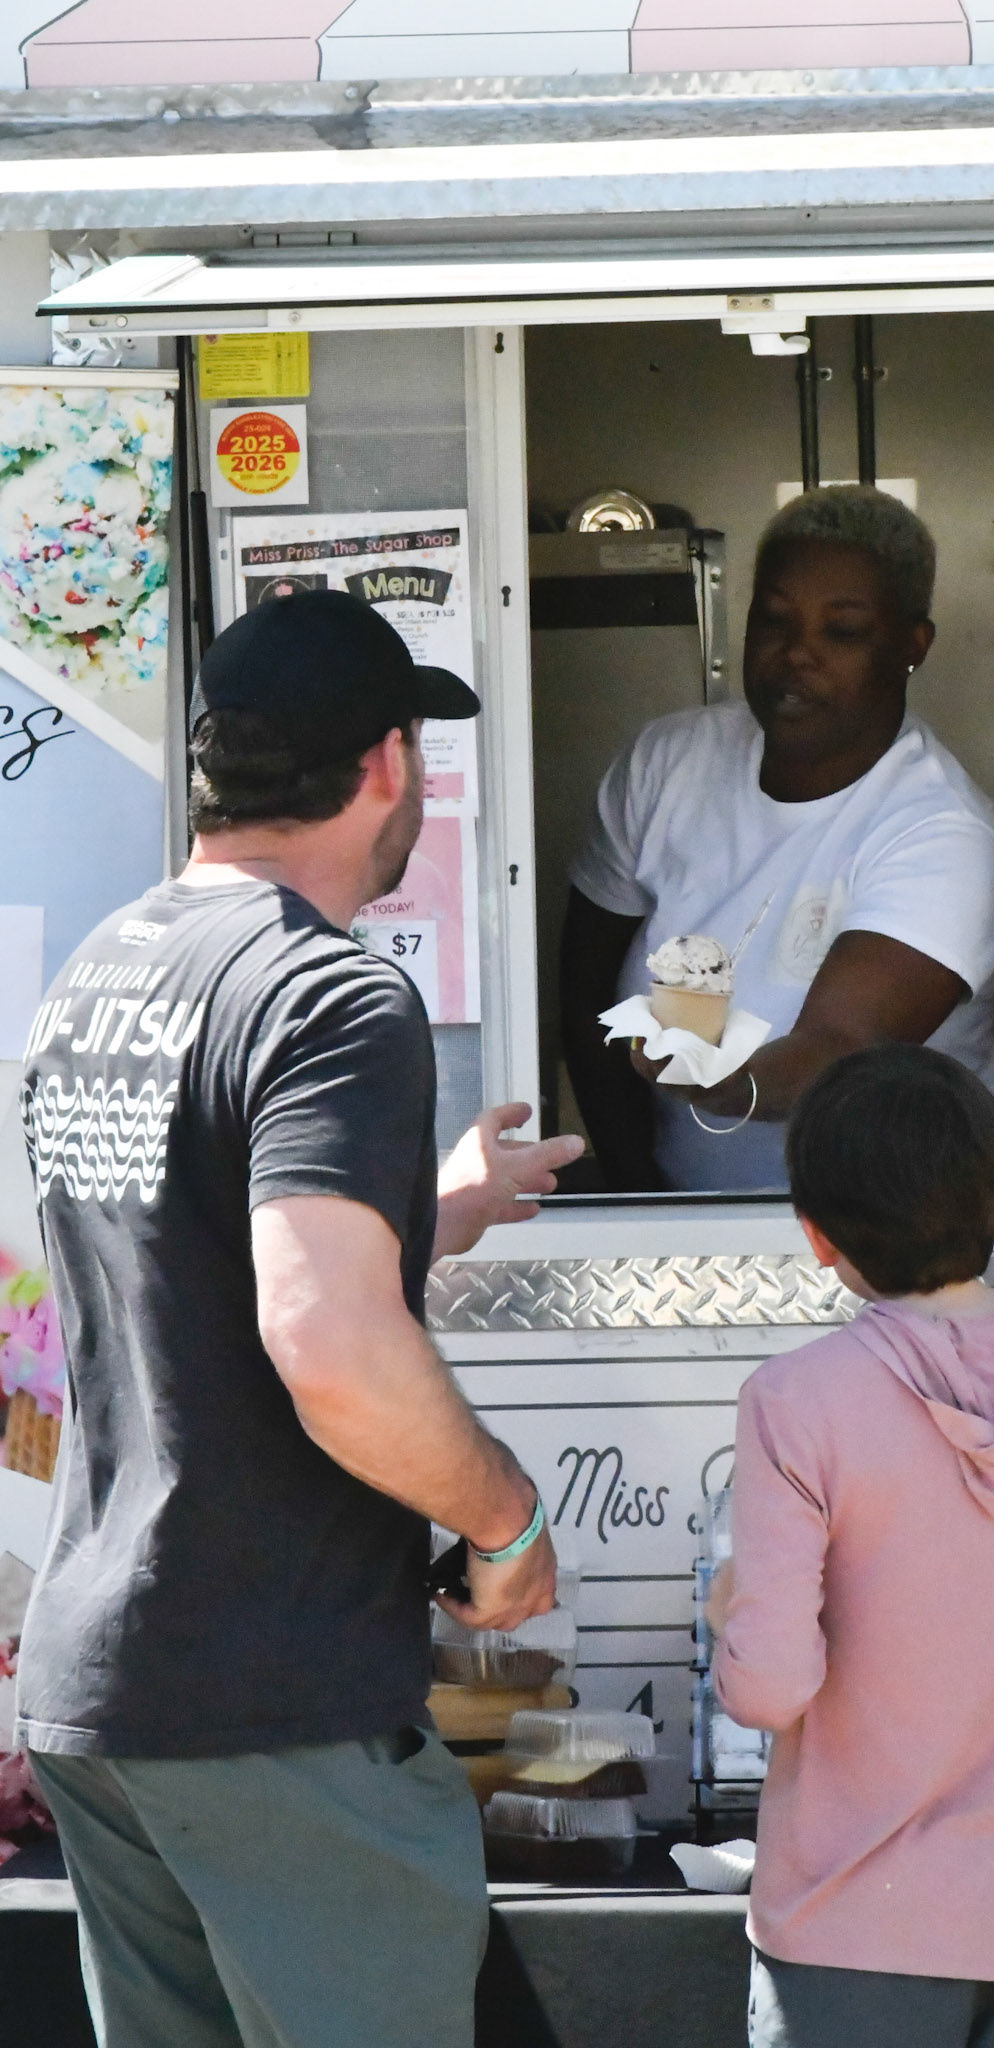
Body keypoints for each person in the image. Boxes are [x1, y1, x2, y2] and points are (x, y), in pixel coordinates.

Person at [16, 590, 583, 2048]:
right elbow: (323, 1340)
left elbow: (189, 1252)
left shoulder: (105, 971)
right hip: (275, 1698)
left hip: (111, 1693)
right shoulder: (327, 992)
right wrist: (505, 1521)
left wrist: (433, 1209)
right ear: (387, 763)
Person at [707, 1043, 994, 2048]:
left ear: (814, 1235)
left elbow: (769, 1689)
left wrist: (729, 1609)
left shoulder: (795, 1399)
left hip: (845, 1925)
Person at [562, 484, 994, 1193]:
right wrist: (641, 1199)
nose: (796, 654)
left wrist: (718, 1081)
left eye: (841, 631)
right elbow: (584, 997)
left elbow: (839, 1053)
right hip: (690, 1224)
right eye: (774, 620)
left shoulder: (940, 834)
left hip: (918, 1230)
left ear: (912, 647)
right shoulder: (668, 764)